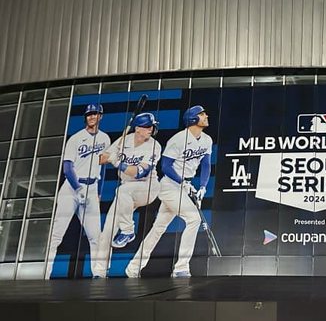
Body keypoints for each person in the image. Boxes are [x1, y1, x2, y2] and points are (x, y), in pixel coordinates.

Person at [125, 105, 213, 278]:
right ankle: (181, 268)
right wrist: (183, 182)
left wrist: (203, 186)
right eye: (202, 114)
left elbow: (206, 165)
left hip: (185, 186)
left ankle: (133, 267)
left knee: (158, 228)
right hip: (170, 186)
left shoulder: (206, 140)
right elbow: (165, 166)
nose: (206, 116)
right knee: (194, 219)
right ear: (193, 119)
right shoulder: (178, 139)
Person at [92, 112, 162, 278]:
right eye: (147, 127)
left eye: (152, 127)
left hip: (147, 187)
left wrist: (117, 162)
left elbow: (139, 172)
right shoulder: (124, 140)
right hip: (127, 190)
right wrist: (110, 155)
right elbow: (100, 159)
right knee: (108, 229)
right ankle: (99, 271)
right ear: (137, 128)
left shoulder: (154, 146)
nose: (151, 129)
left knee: (123, 191)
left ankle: (128, 230)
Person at [45, 104, 111, 279]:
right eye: (89, 114)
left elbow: (103, 166)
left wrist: (99, 192)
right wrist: (78, 188)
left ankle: (98, 274)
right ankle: (45, 272)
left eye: (95, 114)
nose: (92, 117)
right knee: (56, 235)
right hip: (71, 189)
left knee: (96, 236)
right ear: (86, 117)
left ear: (101, 116)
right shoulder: (75, 139)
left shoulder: (105, 138)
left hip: (92, 188)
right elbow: (67, 168)